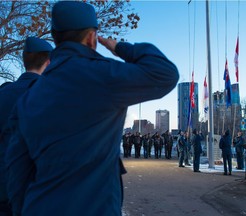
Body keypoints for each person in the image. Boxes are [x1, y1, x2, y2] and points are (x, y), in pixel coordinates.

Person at [4, 1, 179, 216]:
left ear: (56, 38)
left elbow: (17, 168)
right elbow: (165, 74)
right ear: (91, 38)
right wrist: (120, 47)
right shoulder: (104, 77)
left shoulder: (28, 97)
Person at [0, 37, 52, 216]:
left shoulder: (4, 94)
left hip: (4, 188)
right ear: (48, 62)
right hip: (38, 190)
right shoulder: (52, 97)